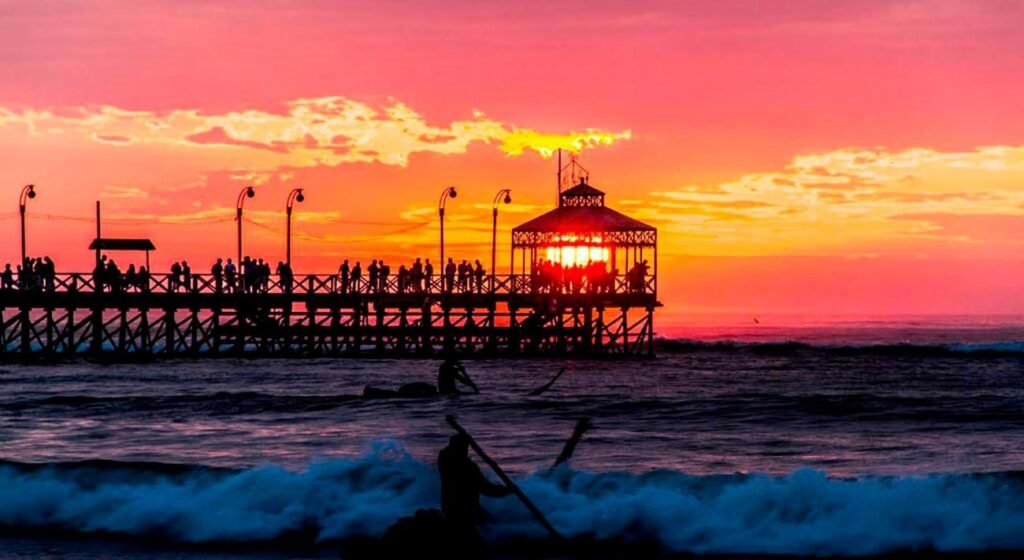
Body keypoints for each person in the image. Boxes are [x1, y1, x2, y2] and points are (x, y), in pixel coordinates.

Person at [437, 433, 512, 536]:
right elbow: (487, 489)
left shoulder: (444, 459)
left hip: (449, 510)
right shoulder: (468, 468)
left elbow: (447, 452)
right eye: (466, 447)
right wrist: (508, 490)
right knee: (494, 527)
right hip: (468, 512)